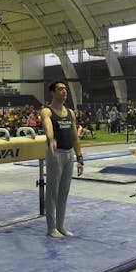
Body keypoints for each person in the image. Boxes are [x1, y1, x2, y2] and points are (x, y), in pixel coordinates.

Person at [40, 81, 84, 238]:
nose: (64, 91)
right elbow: (47, 125)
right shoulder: (47, 111)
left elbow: (74, 137)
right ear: (52, 93)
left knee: (64, 192)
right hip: (55, 153)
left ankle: (60, 225)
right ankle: (51, 228)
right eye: (60, 89)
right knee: (53, 192)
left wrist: (80, 157)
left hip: (68, 154)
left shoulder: (71, 112)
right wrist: (50, 138)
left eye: (65, 89)